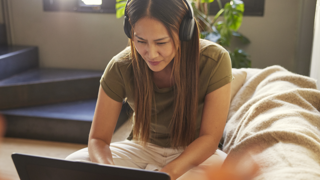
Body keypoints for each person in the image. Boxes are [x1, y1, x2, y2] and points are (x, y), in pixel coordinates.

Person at [66, 0, 233, 179]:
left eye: (161, 42)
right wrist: (108, 170)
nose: (150, 53)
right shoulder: (120, 66)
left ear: (185, 32)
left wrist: (167, 174)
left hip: (194, 153)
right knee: (74, 164)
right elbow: (97, 139)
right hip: (143, 148)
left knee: (224, 173)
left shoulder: (214, 59)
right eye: (141, 41)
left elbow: (209, 139)